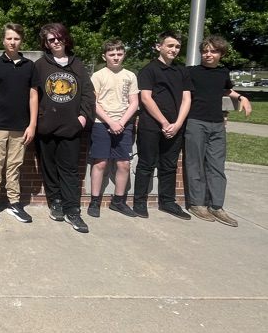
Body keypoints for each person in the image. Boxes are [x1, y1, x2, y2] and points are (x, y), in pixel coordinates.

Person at [34, 22, 95, 233]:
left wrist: (83, 117)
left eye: (59, 37)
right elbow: (32, 95)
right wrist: (39, 119)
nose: (56, 42)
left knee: (69, 170)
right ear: (46, 43)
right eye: (51, 39)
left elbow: (88, 94)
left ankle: (72, 210)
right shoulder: (40, 65)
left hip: (71, 128)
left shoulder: (78, 65)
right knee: (49, 168)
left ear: (65, 38)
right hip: (46, 128)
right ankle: (56, 202)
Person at [185, 35, 251, 226]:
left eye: (213, 51)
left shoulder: (223, 72)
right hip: (195, 122)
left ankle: (216, 206)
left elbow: (226, 90)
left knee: (217, 166)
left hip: (217, 125)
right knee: (195, 164)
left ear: (221, 54)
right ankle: (197, 204)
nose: (209, 54)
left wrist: (241, 97)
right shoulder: (191, 72)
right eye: (205, 51)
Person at [0, 23, 39, 225]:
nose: (12, 42)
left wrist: (32, 125)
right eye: (9, 38)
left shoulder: (30, 66)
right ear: (3, 40)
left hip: (21, 127)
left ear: (21, 41)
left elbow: (33, 97)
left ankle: (14, 203)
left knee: (14, 166)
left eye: (16, 38)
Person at [133, 30, 192, 220]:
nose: (174, 49)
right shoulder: (148, 70)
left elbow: (187, 99)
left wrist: (177, 124)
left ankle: (167, 202)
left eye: (177, 46)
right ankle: (139, 202)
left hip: (175, 127)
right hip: (151, 125)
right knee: (146, 164)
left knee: (169, 165)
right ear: (159, 47)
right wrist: (165, 122)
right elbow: (146, 98)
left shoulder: (182, 71)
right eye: (170, 46)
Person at [87, 39, 139, 218]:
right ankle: (95, 200)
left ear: (124, 55)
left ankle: (118, 201)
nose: (116, 57)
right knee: (100, 162)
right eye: (112, 54)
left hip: (124, 124)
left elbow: (134, 102)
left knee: (124, 164)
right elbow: (93, 103)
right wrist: (111, 122)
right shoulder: (98, 76)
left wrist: (121, 123)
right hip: (101, 123)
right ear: (104, 56)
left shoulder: (130, 76)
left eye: (119, 54)